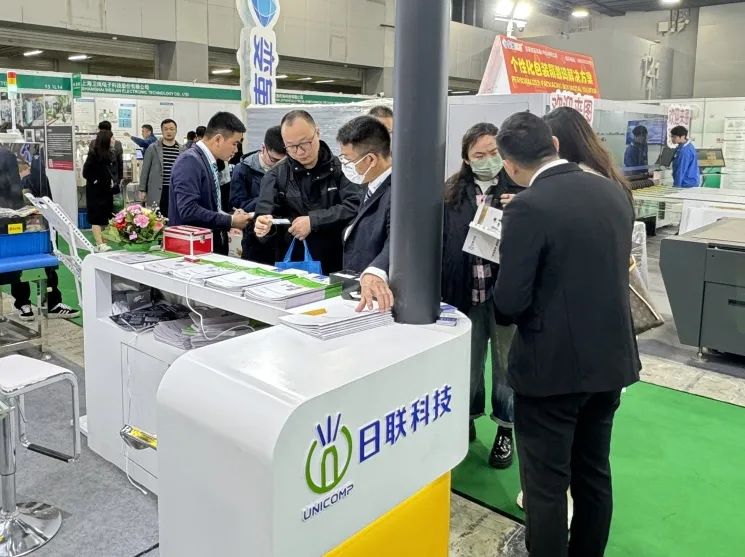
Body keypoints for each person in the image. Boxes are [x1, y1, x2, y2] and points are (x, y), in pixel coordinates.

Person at [493, 111, 640, 557]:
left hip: (550, 370)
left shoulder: (527, 208)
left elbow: (510, 302)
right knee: (593, 473)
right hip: (610, 361)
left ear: (509, 165)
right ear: (554, 145)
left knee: (546, 486)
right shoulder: (613, 191)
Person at [441, 122, 523, 469]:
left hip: (505, 296)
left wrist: (522, 209)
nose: (488, 160)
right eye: (479, 155)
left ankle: (506, 429)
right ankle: (467, 418)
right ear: (466, 158)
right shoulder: (450, 193)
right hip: (465, 295)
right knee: (467, 365)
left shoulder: (520, 188)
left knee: (507, 367)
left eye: (494, 152)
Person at [253, 110, 360, 274]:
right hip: (294, 266)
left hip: (337, 263)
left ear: (317, 132)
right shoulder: (276, 176)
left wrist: (314, 221)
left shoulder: (342, 169)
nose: (299, 152)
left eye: (305, 143)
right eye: (291, 147)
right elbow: (265, 216)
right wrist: (263, 227)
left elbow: (355, 206)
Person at [169, 112, 252, 255]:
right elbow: (188, 210)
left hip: (205, 246)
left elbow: (208, 205)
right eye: (234, 143)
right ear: (218, 139)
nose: (236, 150)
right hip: (192, 250)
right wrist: (230, 220)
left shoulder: (207, 161)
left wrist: (229, 215)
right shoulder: (190, 161)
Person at [336, 115, 394, 312]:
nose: (345, 165)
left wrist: (376, 270)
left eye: (348, 159)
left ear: (370, 159)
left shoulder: (399, 192)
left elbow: (399, 239)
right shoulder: (370, 185)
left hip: (383, 298)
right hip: (363, 294)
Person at [230, 125, 286, 263]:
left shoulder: (288, 169)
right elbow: (237, 205)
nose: (278, 165)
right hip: (254, 238)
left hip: (282, 238)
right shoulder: (243, 169)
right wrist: (266, 198)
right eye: (274, 160)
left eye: (283, 161)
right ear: (263, 148)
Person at [138, 119, 184, 217]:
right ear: (162, 131)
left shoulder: (182, 149)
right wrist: (142, 189)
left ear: (176, 131)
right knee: (156, 219)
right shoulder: (152, 148)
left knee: (174, 219)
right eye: (166, 129)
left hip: (175, 191)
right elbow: (145, 170)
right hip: (158, 190)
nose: (169, 131)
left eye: (171, 129)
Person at [84, 130, 116, 252]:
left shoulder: (110, 153)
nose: (113, 140)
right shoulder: (93, 154)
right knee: (96, 217)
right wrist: (96, 181)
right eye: (111, 138)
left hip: (107, 190)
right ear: (106, 139)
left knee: (106, 217)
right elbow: (86, 172)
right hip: (95, 192)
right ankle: (99, 243)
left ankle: (104, 242)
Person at [93, 121, 124, 191]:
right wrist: (120, 178)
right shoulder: (117, 143)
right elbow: (120, 163)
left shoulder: (94, 143)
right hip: (113, 178)